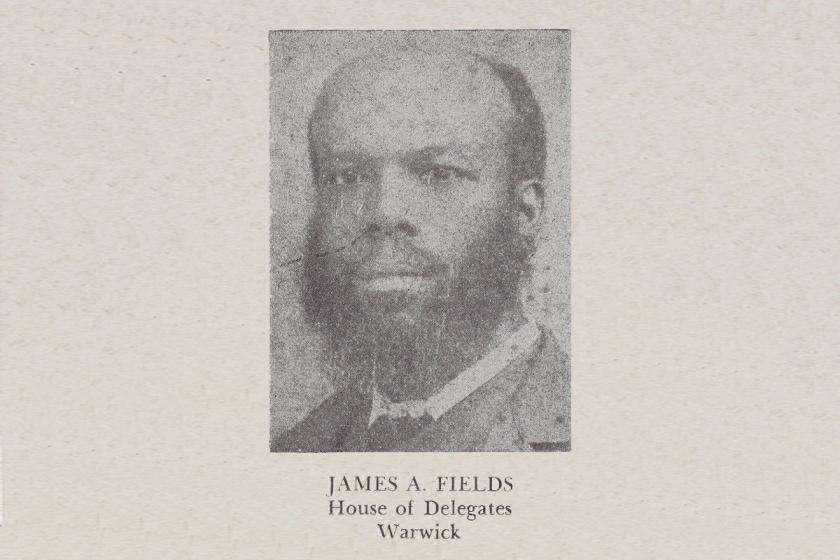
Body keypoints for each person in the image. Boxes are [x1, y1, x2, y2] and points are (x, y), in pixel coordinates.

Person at [272, 45, 570, 452]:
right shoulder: (296, 448)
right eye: (346, 177)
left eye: (438, 173)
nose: (384, 213)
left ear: (525, 210)